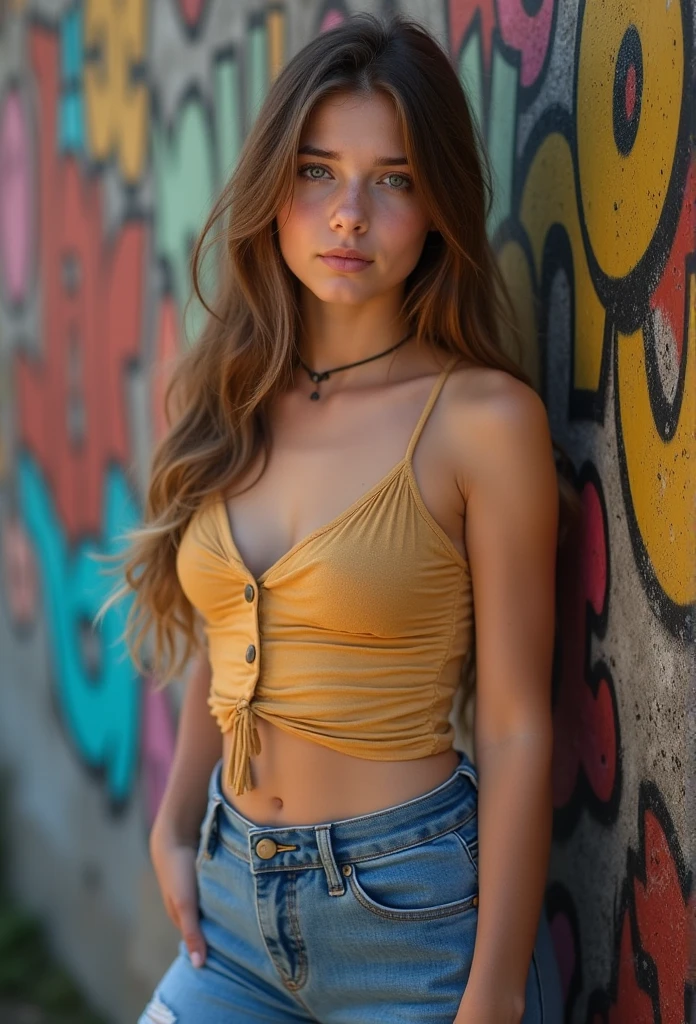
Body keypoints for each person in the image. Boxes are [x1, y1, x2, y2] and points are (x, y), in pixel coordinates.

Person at [101, 12, 578, 1023]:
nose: (348, 214)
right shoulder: (230, 390)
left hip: (417, 917)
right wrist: (176, 821)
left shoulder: (483, 422)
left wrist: (491, 994)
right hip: (232, 912)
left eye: (394, 179)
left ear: (440, 203)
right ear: (274, 187)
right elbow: (224, 640)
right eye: (317, 171)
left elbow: (515, 722)